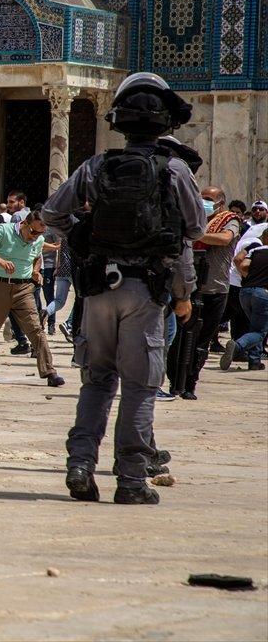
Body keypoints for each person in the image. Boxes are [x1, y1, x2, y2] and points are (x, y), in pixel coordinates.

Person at [45, 71, 204, 505]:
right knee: (139, 386)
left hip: (98, 289)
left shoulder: (96, 166)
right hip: (146, 292)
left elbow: (53, 213)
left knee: (97, 381)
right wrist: (184, 292)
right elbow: (191, 231)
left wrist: (84, 234)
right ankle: (131, 481)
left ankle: (80, 464)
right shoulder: (175, 170)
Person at [0, 207, 63, 386]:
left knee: (36, 329)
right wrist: (1, 261)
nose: (35, 237)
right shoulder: (4, 230)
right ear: (25, 223)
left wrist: (36, 271)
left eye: (40, 233)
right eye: (33, 232)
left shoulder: (38, 239)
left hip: (24, 288)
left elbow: (36, 256)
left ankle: (49, 372)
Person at [181, 186, 241, 398]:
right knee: (181, 338)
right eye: (201, 198)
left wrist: (196, 234)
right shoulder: (194, 218)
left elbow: (224, 239)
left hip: (215, 288)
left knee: (202, 339)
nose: (203, 202)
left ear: (220, 203)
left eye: (208, 198)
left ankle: (190, 383)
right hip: (189, 287)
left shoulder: (229, 220)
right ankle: (177, 381)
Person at [221, 227, 267, 372]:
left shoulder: (255, 250)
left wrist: (250, 278)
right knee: (259, 332)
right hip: (263, 294)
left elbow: (241, 263)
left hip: (245, 291)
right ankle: (237, 346)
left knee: (254, 327)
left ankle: (254, 361)